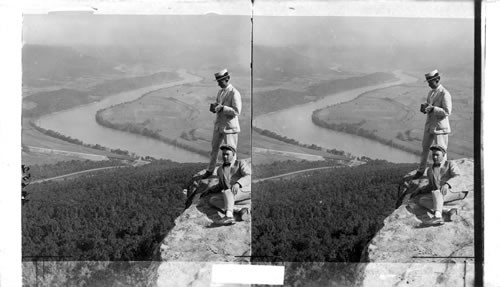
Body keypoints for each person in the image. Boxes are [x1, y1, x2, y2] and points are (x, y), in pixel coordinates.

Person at [202, 69, 242, 179]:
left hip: (229, 128)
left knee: (230, 152)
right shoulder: (220, 92)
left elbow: (237, 111)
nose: (218, 83)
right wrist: (214, 108)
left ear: (227, 79)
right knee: (214, 148)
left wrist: (223, 108)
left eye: (220, 81)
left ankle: (232, 174)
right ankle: (210, 170)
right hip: (219, 126)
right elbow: (219, 105)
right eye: (218, 81)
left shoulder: (234, 92)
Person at [414, 69, 452, 179]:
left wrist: (433, 109)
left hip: (440, 128)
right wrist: (425, 108)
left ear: (438, 79)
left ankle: (441, 173)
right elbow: (430, 107)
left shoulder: (445, 93)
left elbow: (447, 111)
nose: (429, 84)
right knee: (425, 148)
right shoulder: (430, 92)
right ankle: (421, 170)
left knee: (441, 152)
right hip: (429, 126)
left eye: (431, 82)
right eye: (428, 82)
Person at [417, 144, 467, 226]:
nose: (435, 157)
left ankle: (437, 217)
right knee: (422, 200)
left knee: (436, 192)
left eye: (437, 155)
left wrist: (447, 184)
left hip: (456, 190)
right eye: (433, 155)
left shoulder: (450, 164)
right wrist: (420, 190)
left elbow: (458, 176)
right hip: (440, 194)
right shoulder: (430, 170)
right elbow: (431, 185)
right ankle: (448, 210)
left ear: (443, 155)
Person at [208, 144, 251, 226]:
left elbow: (249, 175)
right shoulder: (220, 169)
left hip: (245, 192)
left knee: (227, 192)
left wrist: (238, 184)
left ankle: (229, 217)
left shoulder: (240, 163)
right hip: (231, 195)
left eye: (227, 154)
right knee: (213, 200)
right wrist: (210, 189)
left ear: (233, 154)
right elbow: (221, 185)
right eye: (223, 154)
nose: (225, 156)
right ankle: (239, 210)